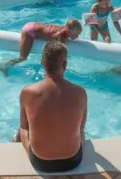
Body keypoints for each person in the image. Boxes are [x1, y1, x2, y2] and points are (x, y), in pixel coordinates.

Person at [14, 42, 86, 173]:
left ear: (42, 63)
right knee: (79, 130)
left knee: (22, 129)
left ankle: (13, 144)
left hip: (41, 163)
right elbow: (81, 128)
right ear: (65, 65)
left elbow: (24, 127)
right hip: (72, 161)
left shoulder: (27, 92)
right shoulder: (80, 92)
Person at [0, 19, 82, 74]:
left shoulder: (66, 28)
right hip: (29, 31)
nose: (77, 37)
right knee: (23, 58)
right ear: (68, 31)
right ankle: (3, 66)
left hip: (33, 24)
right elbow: (59, 53)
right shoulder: (60, 36)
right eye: (76, 34)